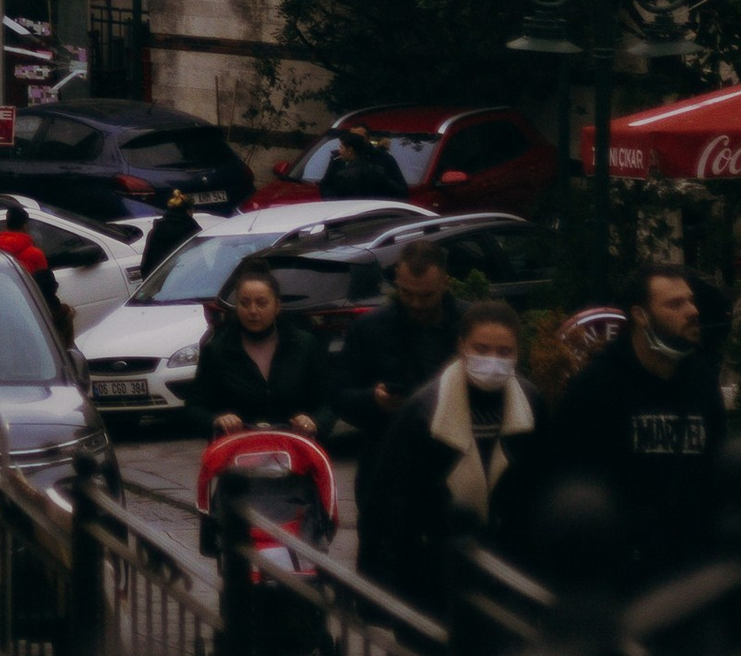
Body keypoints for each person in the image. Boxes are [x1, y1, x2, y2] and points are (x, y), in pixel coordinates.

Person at [358, 297, 543, 628]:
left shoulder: (532, 406)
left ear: (518, 353)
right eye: (482, 349)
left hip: (508, 577)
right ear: (461, 346)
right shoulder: (423, 412)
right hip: (431, 577)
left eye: (504, 352)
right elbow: (389, 504)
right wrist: (380, 593)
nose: (492, 361)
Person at [545, 257, 729, 584]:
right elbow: (569, 481)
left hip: (692, 572)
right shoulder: (597, 388)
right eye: (675, 304)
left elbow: (717, 472)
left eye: (690, 300)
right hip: (621, 575)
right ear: (640, 315)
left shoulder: (700, 381)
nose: (692, 311)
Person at [339, 237, 460, 464]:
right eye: (407, 293)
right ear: (396, 278)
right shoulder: (368, 329)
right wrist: (373, 400)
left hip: (455, 462)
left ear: (445, 282)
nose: (416, 303)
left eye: (426, 295)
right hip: (388, 465)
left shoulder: (469, 327)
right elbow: (340, 396)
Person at [182, 261, 331, 437]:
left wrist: (314, 422)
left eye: (261, 303)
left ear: (277, 306)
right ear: (236, 306)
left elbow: (329, 403)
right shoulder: (217, 350)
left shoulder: (304, 345)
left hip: (294, 449)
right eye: (245, 303)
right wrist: (217, 420)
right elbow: (194, 409)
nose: (253, 311)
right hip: (237, 452)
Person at [0, 225, 70, 338]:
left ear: (7, 224)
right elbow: (46, 284)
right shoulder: (34, 253)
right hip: (33, 307)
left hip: (5, 308)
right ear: (25, 226)